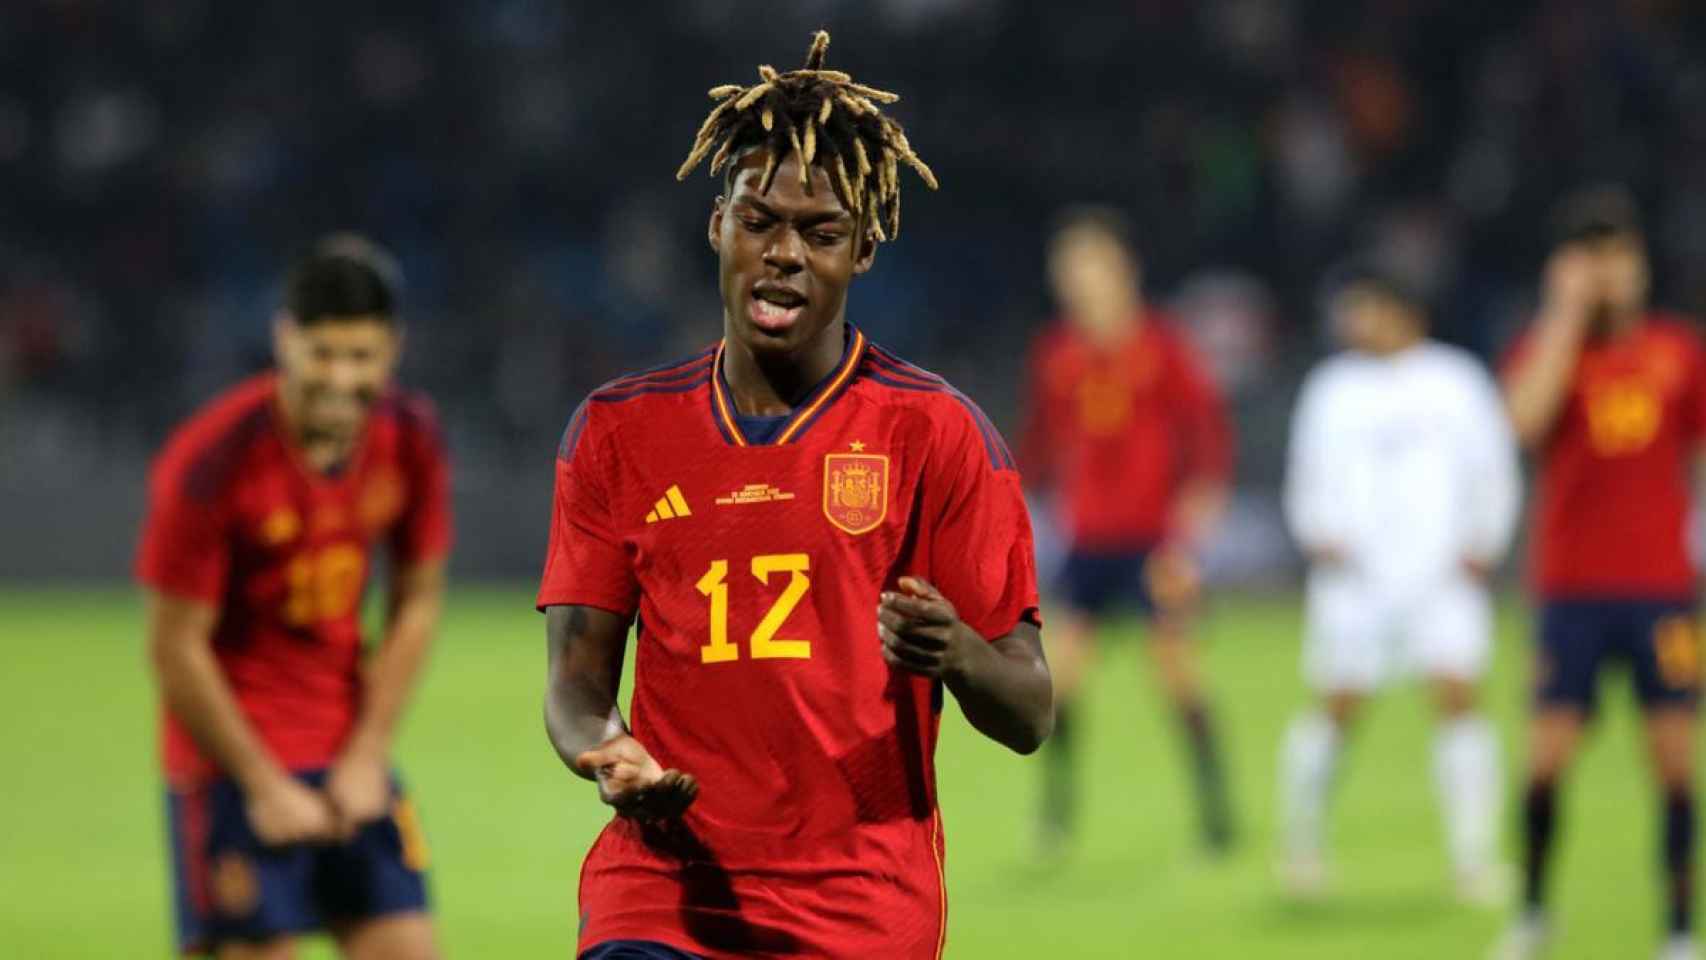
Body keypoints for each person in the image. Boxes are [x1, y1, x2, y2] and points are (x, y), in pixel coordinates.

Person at [538, 32, 1052, 960]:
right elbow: (576, 685)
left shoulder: (935, 433)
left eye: (820, 234)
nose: (784, 255)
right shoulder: (618, 433)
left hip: (857, 906)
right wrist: (606, 751)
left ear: (862, 251)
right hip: (661, 892)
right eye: (758, 221)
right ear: (716, 227)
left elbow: (1029, 712)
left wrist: (961, 653)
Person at [139, 237, 452, 959]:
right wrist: (260, 783)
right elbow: (173, 645)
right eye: (323, 354)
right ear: (285, 339)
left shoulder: (411, 437)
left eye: (362, 356)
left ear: (393, 349)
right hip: (229, 770)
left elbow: (418, 598)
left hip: (347, 757)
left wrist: (369, 751)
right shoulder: (212, 460)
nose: (342, 378)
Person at [1494, 188, 1703, 960]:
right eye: (1592, 258)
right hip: (1571, 592)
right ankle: (1533, 914)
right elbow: (1522, 423)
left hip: (1661, 593)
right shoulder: (1545, 348)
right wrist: (1562, 315)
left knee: (1675, 761)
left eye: (1620, 256)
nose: (1609, 274)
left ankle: (1680, 930)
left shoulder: (1678, 352)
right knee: (1546, 757)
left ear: (1641, 267)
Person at [1279, 264, 1519, 902]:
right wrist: (1318, 532)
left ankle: (1474, 859)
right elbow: (1305, 471)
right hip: (1354, 580)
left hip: (1441, 577)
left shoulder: (1457, 380)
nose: (1355, 322)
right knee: (1336, 707)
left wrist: (1485, 543)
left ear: (1407, 313)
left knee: (1459, 701)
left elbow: (1492, 467)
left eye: (1369, 308)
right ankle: (1301, 847)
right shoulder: (1333, 387)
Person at [1018, 209, 1235, 854]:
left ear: (1121, 271)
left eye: (1090, 267)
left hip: (1152, 542)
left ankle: (1216, 818)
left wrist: (1194, 523)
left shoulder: (1161, 346)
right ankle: (1056, 819)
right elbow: (1039, 444)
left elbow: (1207, 436)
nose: (1079, 282)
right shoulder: (1058, 353)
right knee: (1060, 682)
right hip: (1087, 543)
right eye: (1070, 271)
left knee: (1178, 676)